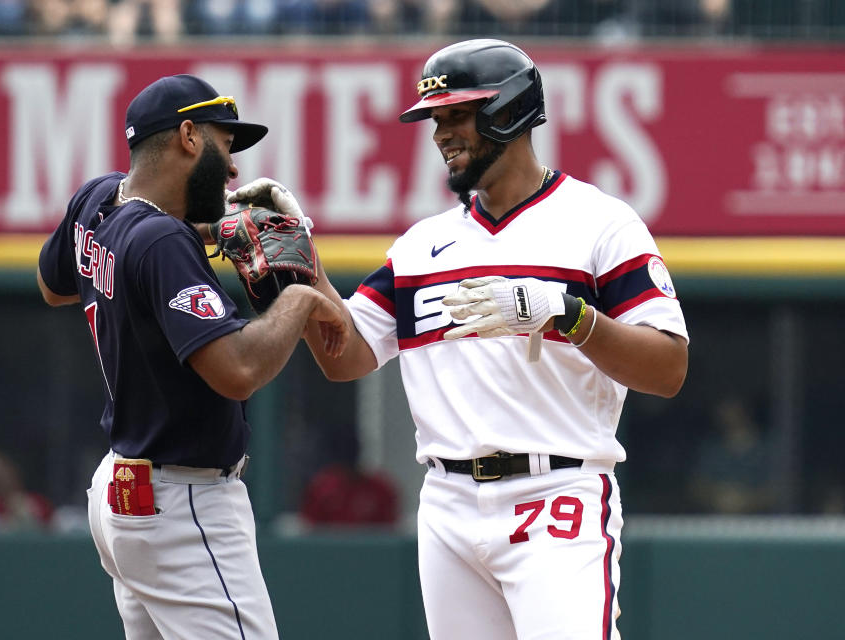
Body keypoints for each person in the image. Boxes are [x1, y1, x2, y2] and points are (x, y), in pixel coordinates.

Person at [236, 39, 689, 638]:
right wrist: (304, 256)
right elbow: (344, 357)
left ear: (509, 110)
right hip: (447, 502)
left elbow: (668, 368)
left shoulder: (600, 222)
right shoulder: (421, 245)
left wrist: (569, 315)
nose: (441, 133)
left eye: (458, 115)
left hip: (556, 494)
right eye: (435, 119)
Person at [36, 74, 347, 640]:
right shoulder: (162, 242)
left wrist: (214, 231)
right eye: (225, 145)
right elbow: (239, 371)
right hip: (184, 503)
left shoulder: (99, 197)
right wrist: (299, 299)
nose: (233, 169)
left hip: (124, 492)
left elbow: (53, 284)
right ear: (187, 137)